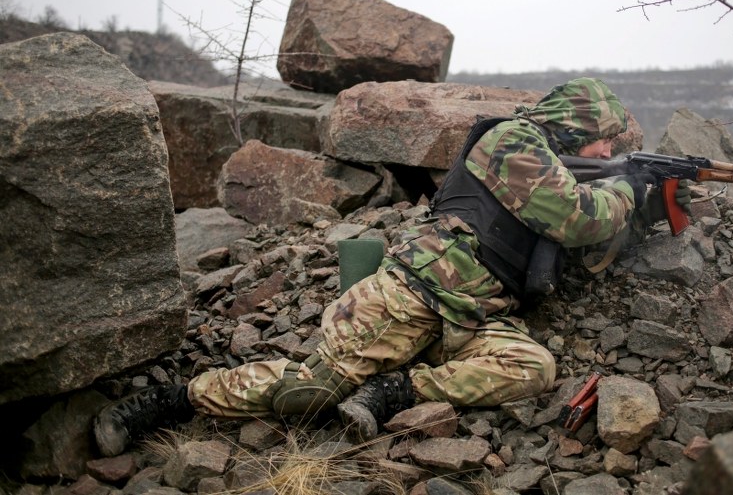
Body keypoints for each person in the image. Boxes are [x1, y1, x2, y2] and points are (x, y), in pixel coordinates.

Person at [93, 77, 691, 456]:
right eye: (605, 143)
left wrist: (652, 204)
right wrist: (627, 192)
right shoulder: (510, 142)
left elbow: (582, 249)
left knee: (532, 367)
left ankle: (397, 390)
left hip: (475, 317)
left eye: (615, 150)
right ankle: (173, 402)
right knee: (311, 394)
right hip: (413, 296)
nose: (609, 155)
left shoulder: (559, 165)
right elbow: (577, 218)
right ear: (576, 127)